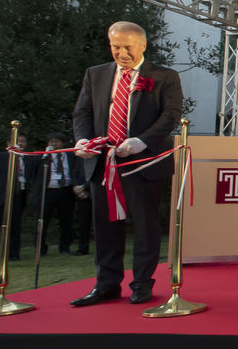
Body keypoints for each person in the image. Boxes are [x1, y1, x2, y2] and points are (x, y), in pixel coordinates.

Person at [70, 21, 183, 306]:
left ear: (142, 45)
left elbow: (170, 115)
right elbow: (82, 112)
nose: (121, 53)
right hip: (102, 163)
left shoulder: (164, 76)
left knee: (145, 226)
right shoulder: (95, 74)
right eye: (115, 47)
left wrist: (141, 141)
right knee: (106, 226)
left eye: (127, 47)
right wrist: (83, 140)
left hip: (143, 163)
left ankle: (142, 283)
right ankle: (106, 284)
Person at [0, 134, 37, 263]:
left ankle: (13, 254)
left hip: (17, 196)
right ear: (9, 143)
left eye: (23, 142)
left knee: (15, 227)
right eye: (17, 141)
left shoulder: (27, 159)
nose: (20, 144)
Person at [39, 133, 81, 255]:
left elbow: (75, 169)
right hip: (49, 191)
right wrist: (46, 155)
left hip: (65, 190)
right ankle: (41, 248)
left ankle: (65, 247)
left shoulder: (70, 154)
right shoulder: (44, 156)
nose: (53, 144)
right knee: (43, 220)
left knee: (66, 220)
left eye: (56, 141)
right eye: (51, 141)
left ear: (62, 143)